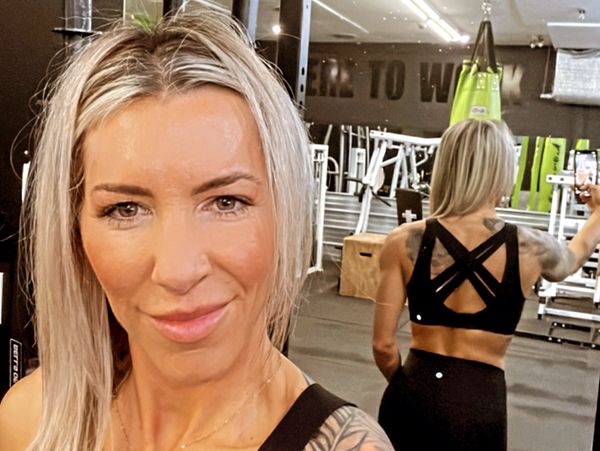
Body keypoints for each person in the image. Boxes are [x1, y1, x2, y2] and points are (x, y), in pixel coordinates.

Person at [0, 8, 393, 451]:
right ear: (75, 236)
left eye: (227, 202)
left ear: (284, 215)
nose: (178, 271)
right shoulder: (30, 421)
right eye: (126, 209)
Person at [372, 119, 600, 451]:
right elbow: (572, 258)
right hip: (479, 403)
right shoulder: (531, 247)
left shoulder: (402, 241)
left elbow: (383, 346)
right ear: (502, 171)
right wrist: (598, 214)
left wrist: (408, 388)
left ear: (446, 167)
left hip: (412, 395)